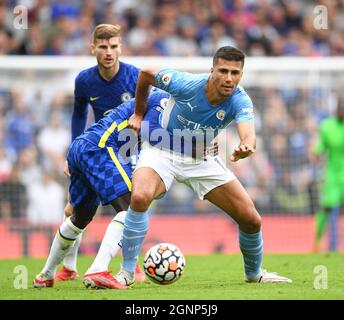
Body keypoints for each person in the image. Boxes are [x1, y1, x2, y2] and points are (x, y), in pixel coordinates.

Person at [113, 46, 292, 288]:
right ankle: (126, 273)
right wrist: (138, 112)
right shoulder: (186, 84)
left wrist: (246, 145)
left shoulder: (240, 99)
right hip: (161, 151)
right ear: (212, 70)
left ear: (241, 74)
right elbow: (145, 73)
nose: (229, 78)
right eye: (223, 71)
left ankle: (254, 273)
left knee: (251, 219)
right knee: (141, 197)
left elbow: (248, 133)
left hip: (201, 157)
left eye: (235, 73)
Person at [33, 90, 171, 289]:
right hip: (101, 146)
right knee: (132, 209)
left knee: (80, 217)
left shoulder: (152, 103)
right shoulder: (162, 99)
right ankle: (97, 269)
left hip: (82, 146)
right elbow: (152, 134)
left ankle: (45, 275)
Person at [53, 23, 145, 282]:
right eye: (103, 46)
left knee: (130, 204)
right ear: (93, 47)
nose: (109, 52)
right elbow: (79, 114)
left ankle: (130, 263)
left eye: (114, 46)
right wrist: (73, 152)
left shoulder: (135, 77)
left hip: (128, 150)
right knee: (74, 210)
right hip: (97, 150)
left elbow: (147, 113)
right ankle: (69, 267)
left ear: (121, 48)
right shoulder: (84, 80)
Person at [313, 99, 344, 252]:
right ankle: (330, 245)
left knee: (329, 209)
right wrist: (316, 153)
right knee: (329, 209)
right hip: (332, 174)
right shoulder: (327, 126)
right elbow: (320, 146)